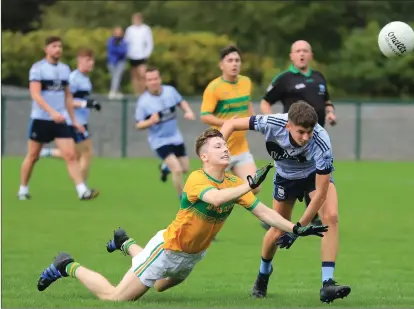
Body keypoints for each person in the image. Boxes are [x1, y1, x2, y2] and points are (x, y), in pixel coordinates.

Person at [36, 128, 327, 302]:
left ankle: (125, 243)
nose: (225, 149)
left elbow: (263, 212)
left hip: (191, 257)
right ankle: (67, 265)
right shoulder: (198, 180)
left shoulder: (233, 184)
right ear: (204, 157)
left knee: (161, 287)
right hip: (168, 249)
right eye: (217, 147)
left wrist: (296, 227)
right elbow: (214, 199)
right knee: (115, 297)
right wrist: (246, 187)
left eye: (225, 146)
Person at [220, 101, 351, 303]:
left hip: (312, 176)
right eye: (300, 132)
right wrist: (218, 151)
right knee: (277, 230)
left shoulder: (322, 140)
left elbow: (321, 192)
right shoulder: (271, 123)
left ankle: (327, 284)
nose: (306, 138)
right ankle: (263, 274)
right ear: (288, 125)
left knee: (331, 216)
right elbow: (232, 125)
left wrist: (298, 229)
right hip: (285, 178)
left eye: (309, 132)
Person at [259, 40, 336, 227]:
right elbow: (265, 102)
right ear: (291, 56)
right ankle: (276, 220)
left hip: (314, 139)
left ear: (311, 55)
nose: (302, 54)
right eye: (297, 51)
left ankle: (314, 217)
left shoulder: (319, 77)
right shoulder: (284, 78)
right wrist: (273, 125)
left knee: (317, 175)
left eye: (305, 51)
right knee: (290, 176)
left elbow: (326, 100)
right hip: (293, 141)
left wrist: (330, 112)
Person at [18, 36, 98, 201]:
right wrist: (51, 112)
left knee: (70, 155)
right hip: (41, 119)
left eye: (60, 46)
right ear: (46, 49)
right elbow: (36, 95)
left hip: (61, 120)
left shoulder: (64, 70)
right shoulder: (38, 68)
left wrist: (74, 120)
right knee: (33, 156)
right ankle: (23, 189)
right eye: (54, 46)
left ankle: (82, 191)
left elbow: (68, 97)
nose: (58, 49)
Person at [200, 45, 260, 195]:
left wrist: (256, 122)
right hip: (218, 150)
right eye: (230, 60)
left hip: (240, 149)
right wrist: (227, 123)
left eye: (237, 60)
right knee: (210, 196)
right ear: (221, 65)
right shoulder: (214, 88)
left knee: (255, 187)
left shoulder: (246, 82)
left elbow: (248, 104)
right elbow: (204, 115)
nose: (234, 64)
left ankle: (230, 192)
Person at [39, 48, 101, 183]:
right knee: (87, 153)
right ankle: (83, 188)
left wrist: (88, 104)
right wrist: (86, 104)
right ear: (80, 61)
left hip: (80, 120)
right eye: (87, 60)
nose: (91, 63)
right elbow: (66, 100)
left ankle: (46, 153)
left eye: (92, 60)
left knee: (75, 154)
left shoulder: (85, 78)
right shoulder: (74, 78)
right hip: (74, 121)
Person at [135, 67, 196, 199]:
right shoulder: (143, 102)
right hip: (159, 141)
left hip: (175, 137)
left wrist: (188, 111)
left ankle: (165, 168)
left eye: (156, 78)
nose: (153, 82)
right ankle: (183, 199)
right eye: (150, 79)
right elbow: (138, 125)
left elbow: (181, 102)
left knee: (185, 168)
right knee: (177, 169)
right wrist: (150, 121)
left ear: (160, 79)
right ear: (146, 83)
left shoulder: (170, 91)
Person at [124, 12, 153, 95]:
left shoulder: (145, 29)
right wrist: (127, 54)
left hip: (142, 56)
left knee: (143, 76)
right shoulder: (129, 29)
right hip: (132, 56)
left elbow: (149, 43)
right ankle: (136, 94)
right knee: (134, 77)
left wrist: (147, 54)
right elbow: (126, 42)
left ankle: (144, 93)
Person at [107, 26, 128, 100]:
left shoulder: (124, 42)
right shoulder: (111, 41)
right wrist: (118, 49)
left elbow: (124, 51)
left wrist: (118, 49)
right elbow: (111, 49)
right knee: (115, 77)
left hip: (121, 62)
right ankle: (118, 91)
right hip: (112, 62)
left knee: (117, 75)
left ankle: (113, 91)